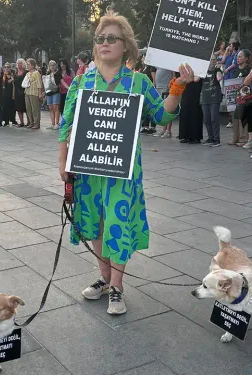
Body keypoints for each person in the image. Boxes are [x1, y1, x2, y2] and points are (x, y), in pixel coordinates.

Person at [58, 11, 194, 315]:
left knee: (117, 223)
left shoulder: (138, 82)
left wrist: (178, 87)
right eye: (99, 39)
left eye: (111, 38)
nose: (104, 43)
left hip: (123, 169)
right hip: (88, 166)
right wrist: (63, 161)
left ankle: (117, 287)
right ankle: (103, 279)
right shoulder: (82, 82)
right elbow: (66, 125)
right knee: (95, 223)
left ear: (125, 45)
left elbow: (162, 116)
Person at [230, 49, 252, 146]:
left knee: (243, 117)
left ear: (247, 58)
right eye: (237, 56)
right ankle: (235, 138)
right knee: (234, 117)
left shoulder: (249, 69)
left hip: (245, 97)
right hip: (234, 96)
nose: (238, 58)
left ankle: (244, 139)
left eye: (240, 56)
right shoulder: (235, 69)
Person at [200, 57, 224, 147]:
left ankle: (216, 139)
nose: (212, 61)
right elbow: (195, 79)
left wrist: (218, 69)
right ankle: (210, 137)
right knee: (206, 119)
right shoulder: (203, 71)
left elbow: (219, 78)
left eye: (214, 60)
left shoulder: (218, 70)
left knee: (214, 118)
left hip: (214, 97)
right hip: (204, 97)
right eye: (211, 59)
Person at [153, 67, 176, 138]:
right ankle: (164, 129)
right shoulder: (160, 63)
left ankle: (168, 131)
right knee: (162, 109)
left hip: (166, 87)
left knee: (168, 109)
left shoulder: (168, 62)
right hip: (159, 86)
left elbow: (173, 73)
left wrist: (172, 86)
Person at [24, 58, 43, 129]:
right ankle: (31, 122)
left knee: (35, 109)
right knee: (28, 108)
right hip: (27, 92)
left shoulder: (36, 73)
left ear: (32, 65)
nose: (27, 66)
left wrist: (40, 94)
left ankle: (36, 123)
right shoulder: (28, 73)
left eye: (28, 64)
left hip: (34, 93)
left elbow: (39, 84)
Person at [44, 60, 62, 130]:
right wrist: (44, 92)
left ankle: (57, 123)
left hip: (56, 92)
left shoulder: (58, 73)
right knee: (50, 108)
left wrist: (67, 87)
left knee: (56, 107)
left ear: (56, 66)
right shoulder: (47, 73)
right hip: (49, 92)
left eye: (54, 65)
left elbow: (61, 82)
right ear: (49, 66)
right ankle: (52, 123)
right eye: (51, 65)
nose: (52, 66)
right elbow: (46, 84)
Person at [13, 59, 28, 127]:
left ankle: (29, 122)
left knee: (26, 108)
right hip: (17, 92)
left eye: (20, 63)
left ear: (23, 64)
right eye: (18, 63)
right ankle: (21, 122)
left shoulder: (26, 72)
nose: (19, 65)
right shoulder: (16, 73)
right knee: (18, 108)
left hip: (24, 92)